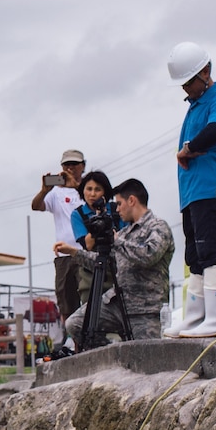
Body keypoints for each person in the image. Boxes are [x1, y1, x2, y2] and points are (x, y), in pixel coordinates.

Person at [167, 43, 216, 337]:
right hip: (192, 194)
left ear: (205, 72)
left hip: (210, 189)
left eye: (188, 82)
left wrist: (188, 149)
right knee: (194, 256)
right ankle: (195, 318)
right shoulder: (194, 106)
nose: (185, 89)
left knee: (212, 252)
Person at [63, 179, 175, 347]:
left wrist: (116, 241)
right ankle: (111, 354)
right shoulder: (125, 233)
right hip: (116, 304)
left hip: (143, 308)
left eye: (119, 203)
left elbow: (148, 255)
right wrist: (74, 252)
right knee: (75, 324)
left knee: (146, 356)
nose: (117, 209)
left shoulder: (158, 227)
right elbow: (106, 262)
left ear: (132, 200)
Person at [31, 149, 86, 326]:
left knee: (88, 297)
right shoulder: (56, 192)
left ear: (82, 166)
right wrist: (44, 191)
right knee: (66, 300)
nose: (70, 168)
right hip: (63, 256)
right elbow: (36, 206)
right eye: (66, 165)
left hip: (85, 253)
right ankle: (71, 340)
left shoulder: (88, 188)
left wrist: (76, 186)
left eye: (74, 164)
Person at [57, 170, 120, 309]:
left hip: (119, 267)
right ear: (82, 191)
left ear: (105, 192)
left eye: (98, 189)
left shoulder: (117, 209)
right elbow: (88, 244)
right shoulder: (78, 214)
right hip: (93, 269)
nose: (92, 194)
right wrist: (100, 218)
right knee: (90, 310)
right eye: (89, 189)